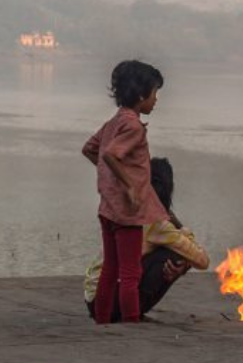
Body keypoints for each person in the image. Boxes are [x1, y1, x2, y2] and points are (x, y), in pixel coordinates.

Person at [81, 60, 169, 324]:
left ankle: (103, 319)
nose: (156, 100)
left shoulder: (115, 121)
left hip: (107, 208)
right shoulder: (133, 127)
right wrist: (129, 185)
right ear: (141, 96)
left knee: (110, 268)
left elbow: (90, 149)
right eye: (155, 93)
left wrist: (109, 178)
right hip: (127, 213)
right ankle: (131, 321)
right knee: (131, 273)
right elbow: (110, 154)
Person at [82, 158, 210, 321]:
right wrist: (182, 228)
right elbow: (203, 261)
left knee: (170, 250)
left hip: (94, 298)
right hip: (110, 301)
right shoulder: (157, 224)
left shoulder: (128, 208)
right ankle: (130, 313)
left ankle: (126, 310)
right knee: (175, 254)